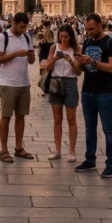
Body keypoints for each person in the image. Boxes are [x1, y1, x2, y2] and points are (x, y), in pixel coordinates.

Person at [74, 13, 112, 178]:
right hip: (88, 90)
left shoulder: (111, 43)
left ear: (100, 25)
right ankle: (90, 159)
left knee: (108, 129)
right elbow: (81, 70)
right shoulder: (87, 42)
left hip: (105, 92)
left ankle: (110, 164)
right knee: (89, 129)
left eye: (92, 29)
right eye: (87, 29)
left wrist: (93, 62)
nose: (89, 32)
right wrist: (78, 62)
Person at [0, 12, 35, 163]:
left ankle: (19, 148)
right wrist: (16, 54)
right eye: (22, 26)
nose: (24, 29)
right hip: (8, 83)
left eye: (26, 27)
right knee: (6, 116)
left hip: (24, 83)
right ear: (14, 23)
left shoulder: (27, 37)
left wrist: (31, 56)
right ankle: (4, 150)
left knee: (21, 117)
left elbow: (31, 61)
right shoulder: (3, 37)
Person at [43, 24, 81, 162]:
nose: (63, 39)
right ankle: (57, 150)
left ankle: (72, 151)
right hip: (56, 82)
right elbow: (47, 68)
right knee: (57, 119)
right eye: (61, 36)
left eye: (66, 37)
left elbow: (79, 72)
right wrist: (55, 59)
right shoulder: (54, 47)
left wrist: (71, 61)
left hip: (71, 83)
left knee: (71, 119)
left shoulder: (76, 50)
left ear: (71, 36)